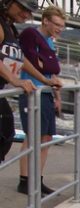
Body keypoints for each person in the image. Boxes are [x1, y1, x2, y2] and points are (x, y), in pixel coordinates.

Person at [17, 4, 65, 195]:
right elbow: (25, 61)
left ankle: (37, 179)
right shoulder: (30, 34)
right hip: (32, 92)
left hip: (45, 94)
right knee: (32, 137)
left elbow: (52, 72)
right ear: (45, 20)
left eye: (62, 26)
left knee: (46, 138)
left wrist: (57, 96)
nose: (59, 29)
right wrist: (45, 76)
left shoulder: (50, 43)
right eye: (57, 24)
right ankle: (25, 180)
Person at [0, 0, 38, 164]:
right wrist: (14, 79)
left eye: (29, 12)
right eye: (23, 8)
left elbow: (20, 58)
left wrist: (45, 79)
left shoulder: (11, 29)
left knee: (6, 134)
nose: (26, 14)